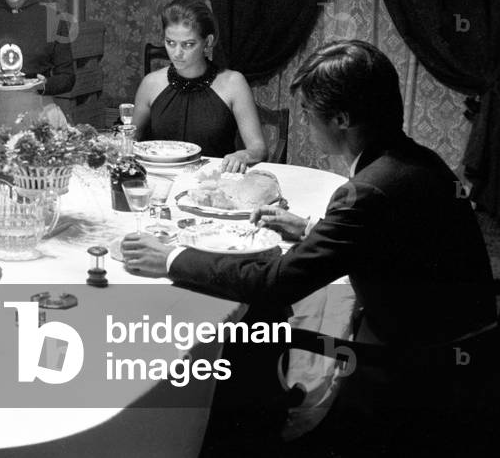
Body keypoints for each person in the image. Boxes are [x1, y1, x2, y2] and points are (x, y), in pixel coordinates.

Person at [122, 40, 497, 455]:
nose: (303, 120)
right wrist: (311, 229)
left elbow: (275, 282)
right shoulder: (416, 160)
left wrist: (172, 258)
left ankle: (240, 435)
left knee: (252, 325)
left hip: (420, 375)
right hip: (465, 345)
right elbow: (386, 239)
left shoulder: (367, 190)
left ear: (341, 119)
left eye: (306, 111)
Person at [132, 0, 266, 172]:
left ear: (208, 42)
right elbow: (131, 140)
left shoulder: (233, 83)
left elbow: (258, 148)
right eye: (170, 42)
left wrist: (243, 155)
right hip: (161, 179)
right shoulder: (151, 83)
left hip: (213, 181)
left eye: (188, 44)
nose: (177, 53)